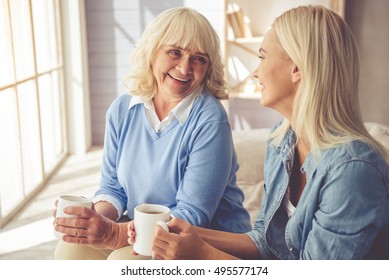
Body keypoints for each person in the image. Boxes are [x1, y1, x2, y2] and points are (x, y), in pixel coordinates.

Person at [131, 5, 389, 260]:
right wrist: (187, 233)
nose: (256, 72)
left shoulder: (354, 169)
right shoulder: (283, 141)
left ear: (297, 68)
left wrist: (204, 254)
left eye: (263, 57)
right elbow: (266, 240)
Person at [53, 7, 251, 260]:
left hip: (200, 240)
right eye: (175, 52)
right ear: (152, 52)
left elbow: (192, 215)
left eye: (199, 59)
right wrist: (91, 220)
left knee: (122, 262)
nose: (184, 68)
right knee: (71, 248)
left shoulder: (210, 120)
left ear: (208, 67)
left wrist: (117, 234)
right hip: (140, 229)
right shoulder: (122, 110)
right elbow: (114, 188)